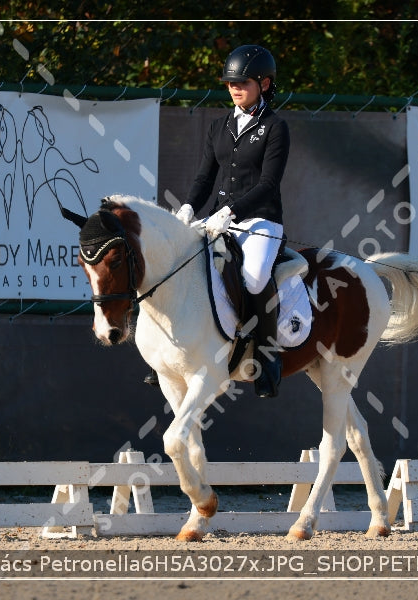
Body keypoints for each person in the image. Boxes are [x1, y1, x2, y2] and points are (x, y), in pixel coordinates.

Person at [173, 44, 290, 398]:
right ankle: (168, 354)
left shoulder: (275, 127)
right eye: (230, 83)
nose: (235, 88)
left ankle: (268, 357)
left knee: (253, 279)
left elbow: (269, 184)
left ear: (265, 84)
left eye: (244, 83)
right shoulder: (219, 126)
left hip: (261, 222)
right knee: (182, 263)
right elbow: (205, 178)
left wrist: (232, 211)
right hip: (218, 217)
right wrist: (188, 209)